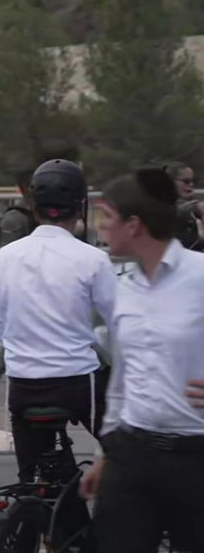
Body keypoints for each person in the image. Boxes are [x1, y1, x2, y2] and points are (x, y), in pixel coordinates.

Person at [80, 169, 204, 553]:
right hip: (131, 457)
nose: (99, 226)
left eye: (107, 217)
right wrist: (105, 456)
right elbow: (122, 381)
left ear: (134, 225)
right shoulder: (123, 290)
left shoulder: (200, 277)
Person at [0, 159, 116, 483]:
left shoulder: (5, 257)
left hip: (22, 384)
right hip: (75, 382)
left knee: (31, 479)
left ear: (33, 205)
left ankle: (31, 517)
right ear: (81, 206)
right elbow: (118, 324)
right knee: (126, 450)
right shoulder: (93, 259)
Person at [0, 168, 38, 405]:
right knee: (16, 341)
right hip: (25, 290)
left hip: (39, 287)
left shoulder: (36, 215)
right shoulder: (16, 218)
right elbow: (8, 258)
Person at [164, 162, 202, 250]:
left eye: (193, 181)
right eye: (186, 181)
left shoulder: (193, 209)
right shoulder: (159, 206)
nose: (191, 185)